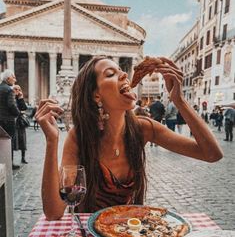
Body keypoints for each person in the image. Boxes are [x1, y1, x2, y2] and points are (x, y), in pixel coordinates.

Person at [35, 56, 223, 220]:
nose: (124, 75)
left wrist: (179, 100)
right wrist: (52, 141)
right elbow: (54, 212)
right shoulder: (80, 136)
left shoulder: (143, 128)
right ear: (96, 95)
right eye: (110, 74)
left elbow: (211, 154)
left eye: (121, 71)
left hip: (127, 231)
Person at [0, 69, 23, 169]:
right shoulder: (9, 90)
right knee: (9, 143)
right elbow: (11, 105)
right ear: (8, 78)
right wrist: (18, 113)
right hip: (8, 121)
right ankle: (9, 163)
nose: (15, 79)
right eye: (13, 77)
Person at [13, 85, 28, 164]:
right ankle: (11, 160)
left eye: (19, 89)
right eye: (16, 89)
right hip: (14, 122)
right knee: (14, 140)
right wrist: (20, 112)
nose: (18, 91)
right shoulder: (11, 97)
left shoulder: (19, 98)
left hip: (20, 122)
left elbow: (24, 108)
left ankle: (23, 158)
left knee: (23, 140)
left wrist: (21, 98)